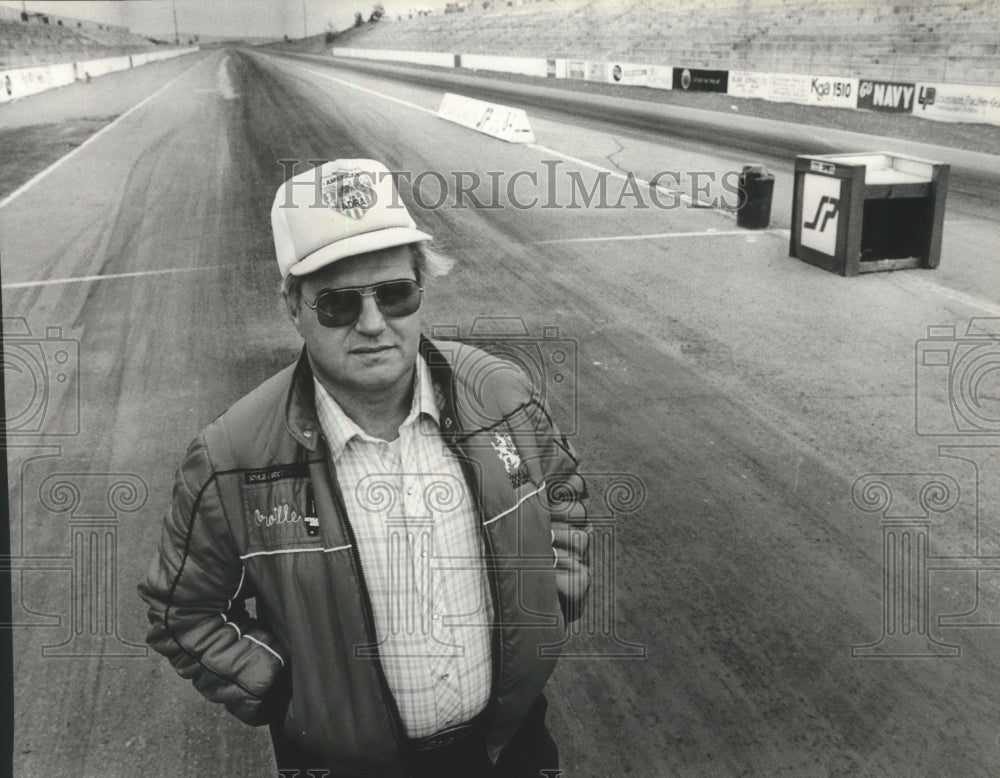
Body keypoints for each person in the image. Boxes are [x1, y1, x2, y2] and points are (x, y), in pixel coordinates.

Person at [139, 159, 590, 777]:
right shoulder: (230, 458)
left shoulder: (501, 393)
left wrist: (557, 593)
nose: (374, 323)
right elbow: (179, 611)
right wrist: (278, 690)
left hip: (511, 748)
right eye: (338, 304)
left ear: (421, 288)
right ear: (292, 307)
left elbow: (560, 489)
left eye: (395, 294)